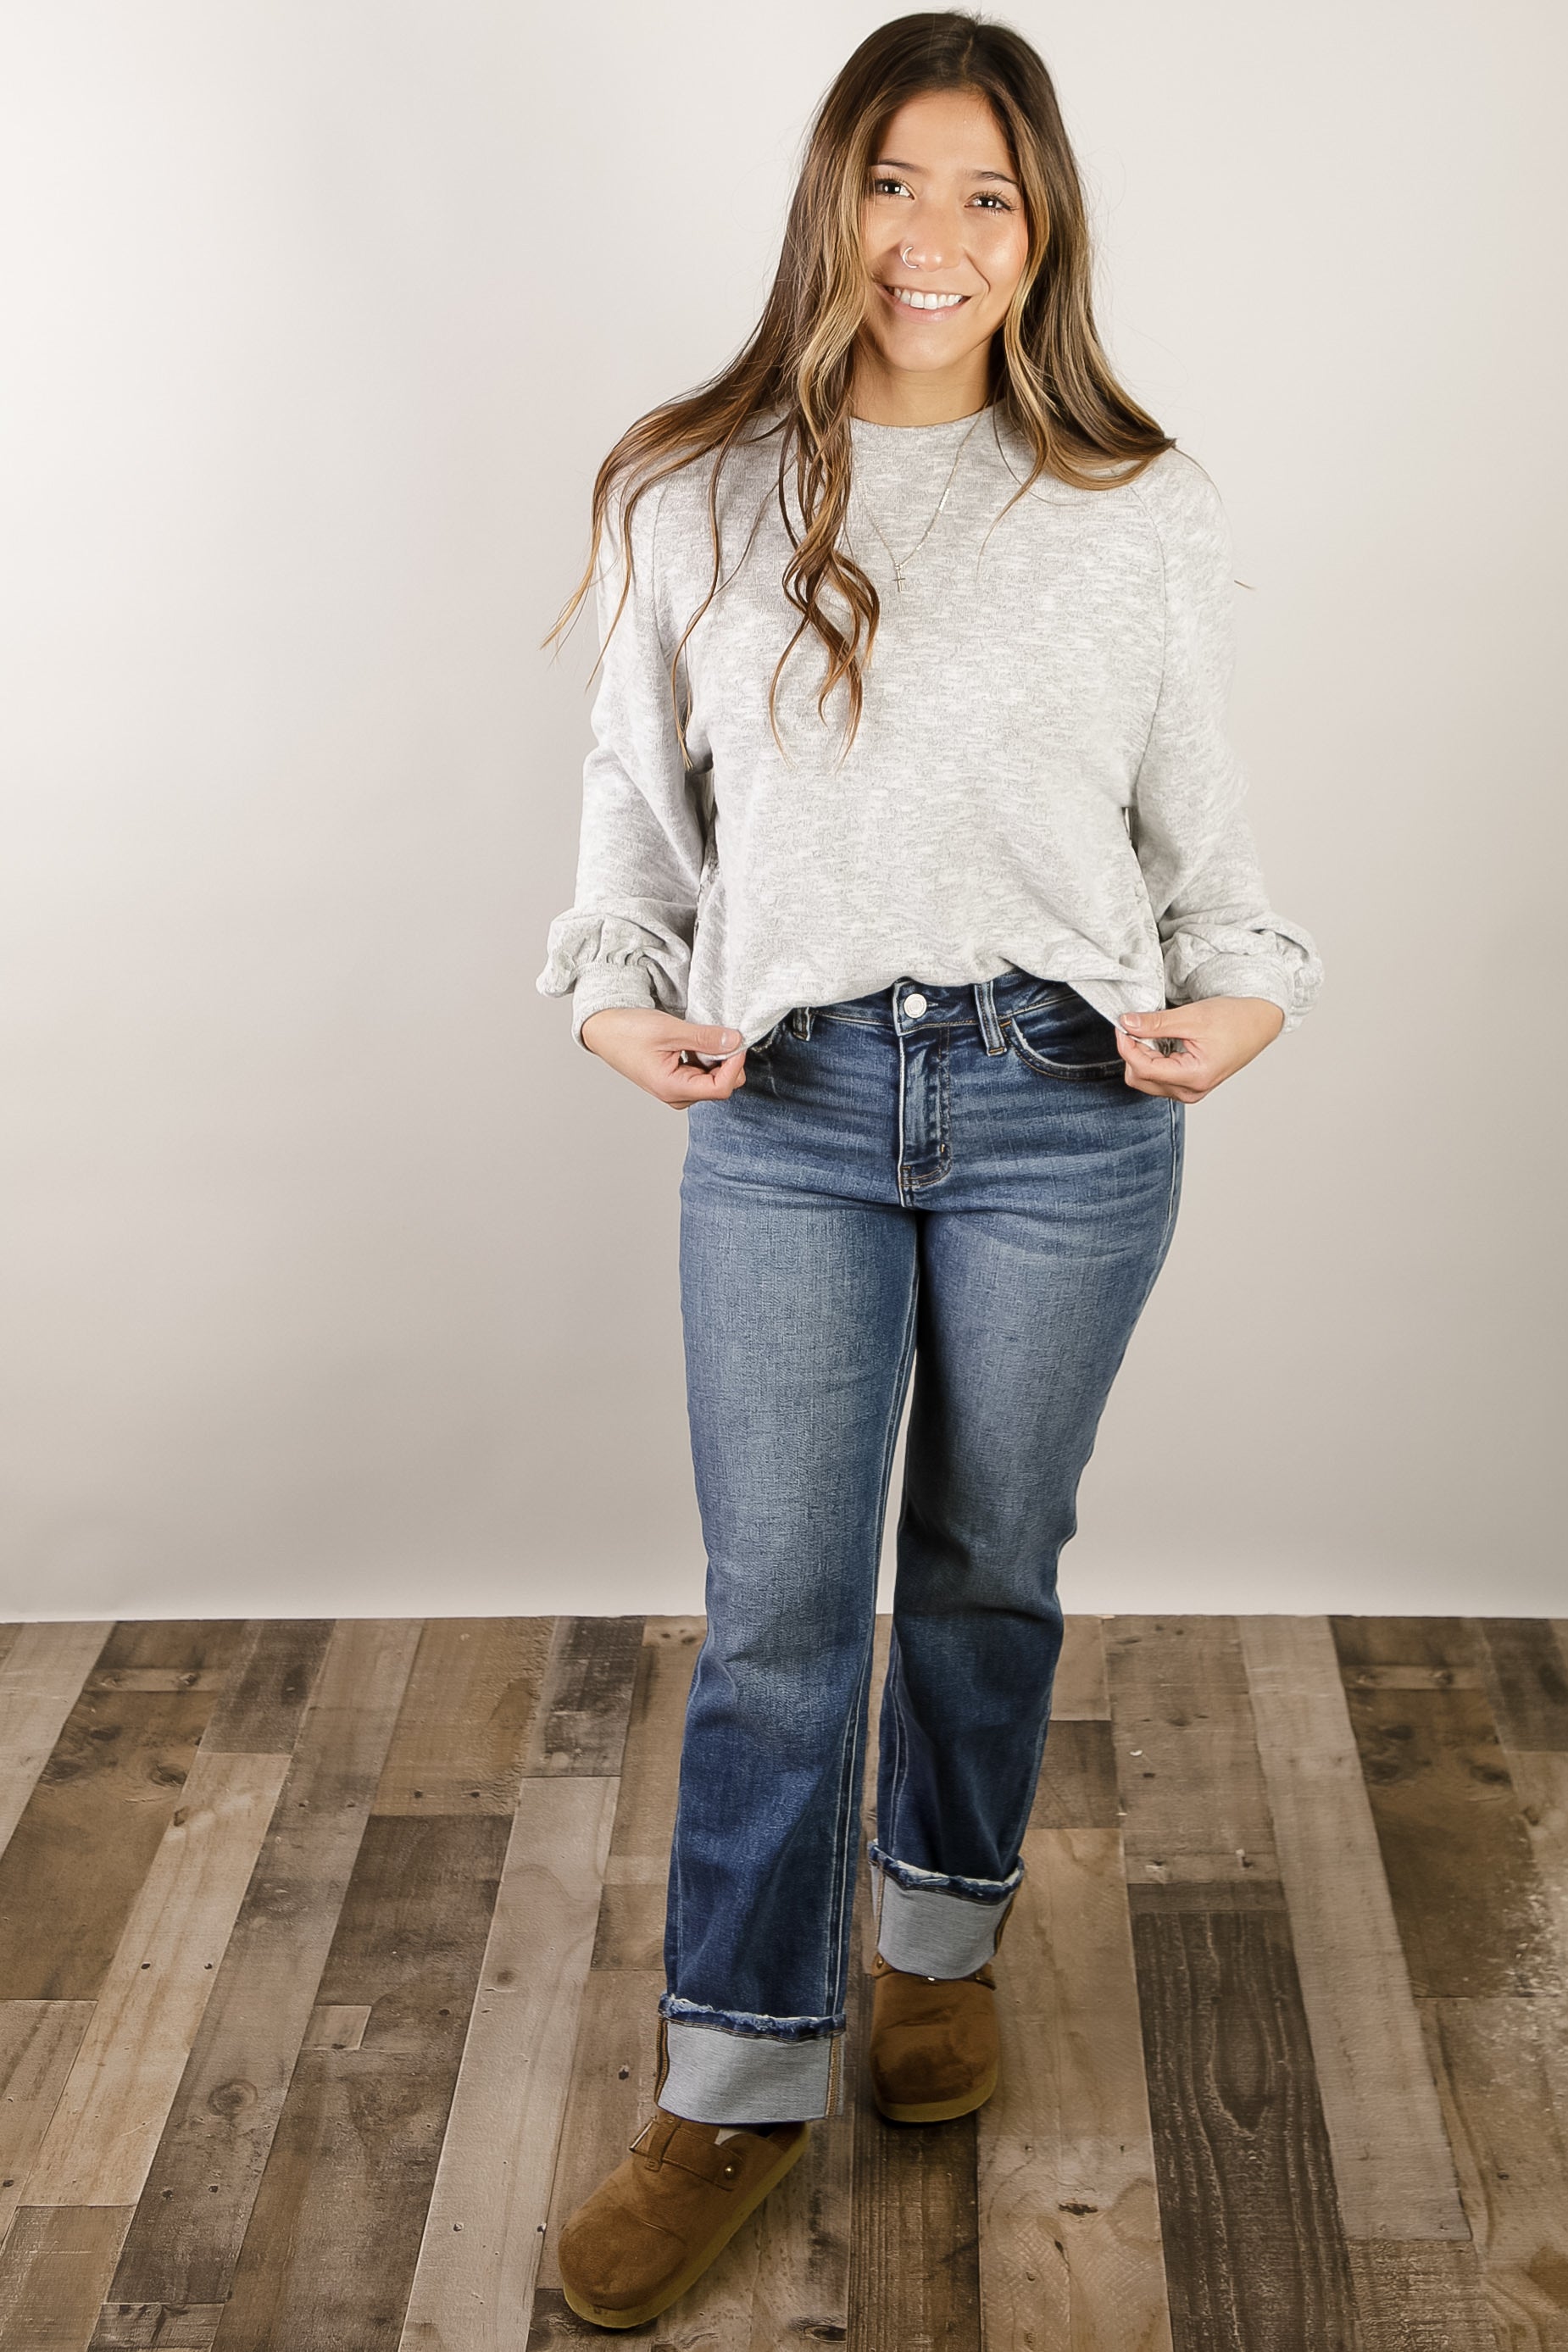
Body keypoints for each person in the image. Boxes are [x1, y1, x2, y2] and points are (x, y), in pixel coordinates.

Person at [535, 9, 1322, 2328]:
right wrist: (608, 993)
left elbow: (1205, 845)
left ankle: (939, 1954)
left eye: (987, 191)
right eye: (895, 181)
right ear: (831, 199)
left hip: (1063, 1102)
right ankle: (729, 2083)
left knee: (985, 1567)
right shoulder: (691, 493)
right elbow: (631, 828)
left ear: (1041, 224)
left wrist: (1246, 994)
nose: (935, 237)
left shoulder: (1136, 505)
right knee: (778, 1613)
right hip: (783, 1109)